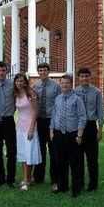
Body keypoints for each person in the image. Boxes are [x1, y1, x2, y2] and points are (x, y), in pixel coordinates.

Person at [50, 74, 86, 197]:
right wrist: (51, 131)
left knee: (74, 162)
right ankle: (62, 186)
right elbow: (54, 115)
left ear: (71, 84)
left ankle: (76, 188)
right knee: (60, 162)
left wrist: (80, 135)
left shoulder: (77, 99)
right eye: (63, 83)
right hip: (59, 134)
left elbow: (82, 117)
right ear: (60, 84)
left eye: (67, 83)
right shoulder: (58, 99)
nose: (64, 85)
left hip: (73, 135)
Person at [75, 67, 104, 192]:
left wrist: (100, 130)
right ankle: (80, 183)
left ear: (90, 77)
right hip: (77, 128)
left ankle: (93, 184)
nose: (84, 78)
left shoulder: (97, 92)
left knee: (92, 158)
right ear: (79, 78)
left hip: (91, 127)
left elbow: (101, 111)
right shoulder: (74, 92)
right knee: (78, 157)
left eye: (86, 76)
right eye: (82, 76)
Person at [32, 63, 61, 191]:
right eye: (40, 70)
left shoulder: (56, 86)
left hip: (51, 121)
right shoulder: (35, 86)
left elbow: (59, 104)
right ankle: (38, 177)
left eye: (45, 70)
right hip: (39, 120)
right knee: (40, 149)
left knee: (54, 150)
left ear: (48, 72)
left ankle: (55, 179)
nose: (42, 72)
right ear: (38, 72)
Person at [0, 62, 16, 187]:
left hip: (8, 120)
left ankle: (10, 179)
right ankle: (0, 179)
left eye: (3, 70)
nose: (1, 73)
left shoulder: (13, 84)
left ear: (7, 72)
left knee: (12, 151)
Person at [14, 73, 42, 191]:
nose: (20, 83)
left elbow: (35, 112)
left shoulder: (31, 94)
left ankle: (26, 180)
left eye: (22, 81)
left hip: (30, 128)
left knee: (29, 153)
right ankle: (27, 178)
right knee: (23, 154)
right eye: (17, 81)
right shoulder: (16, 94)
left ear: (25, 82)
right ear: (15, 82)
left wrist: (31, 128)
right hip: (20, 128)